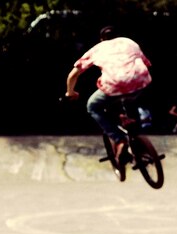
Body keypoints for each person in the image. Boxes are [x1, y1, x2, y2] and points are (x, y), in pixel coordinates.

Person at [65, 25, 152, 165]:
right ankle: (136, 135)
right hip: (140, 81)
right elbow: (146, 63)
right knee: (130, 98)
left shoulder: (98, 48)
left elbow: (72, 75)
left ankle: (119, 139)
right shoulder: (129, 42)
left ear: (101, 39)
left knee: (93, 106)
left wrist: (70, 92)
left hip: (114, 85)